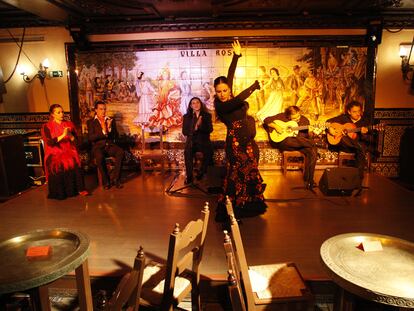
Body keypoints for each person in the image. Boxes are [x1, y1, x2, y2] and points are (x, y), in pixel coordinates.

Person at [214, 40, 267, 221]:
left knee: (250, 172)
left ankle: (250, 205)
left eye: (225, 90)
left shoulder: (229, 94)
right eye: (219, 91)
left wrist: (236, 56)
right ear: (215, 92)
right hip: (235, 145)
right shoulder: (221, 106)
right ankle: (234, 208)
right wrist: (252, 87)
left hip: (248, 143)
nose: (222, 94)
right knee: (236, 175)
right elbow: (237, 102)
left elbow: (230, 74)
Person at [263, 106, 318, 190]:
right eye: (295, 118)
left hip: (300, 143)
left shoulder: (304, 120)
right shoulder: (282, 116)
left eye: (298, 116)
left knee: (312, 150)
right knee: (290, 140)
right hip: (285, 143)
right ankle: (314, 144)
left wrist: (310, 132)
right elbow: (266, 120)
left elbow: (307, 137)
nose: (298, 119)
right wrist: (275, 126)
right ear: (288, 116)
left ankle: (309, 180)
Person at [41, 104, 88, 199]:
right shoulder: (47, 126)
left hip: (69, 150)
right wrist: (63, 135)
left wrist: (70, 135)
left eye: (62, 112)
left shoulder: (69, 124)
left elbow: (76, 141)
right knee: (57, 163)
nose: (61, 114)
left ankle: (79, 189)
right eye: (58, 112)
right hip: (54, 152)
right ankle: (60, 192)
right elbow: (50, 142)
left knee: (74, 160)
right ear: (52, 114)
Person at [326, 100, 370, 180]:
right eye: (354, 112)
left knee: (361, 150)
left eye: (359, 111)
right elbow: (328, 122)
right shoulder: (344, 118)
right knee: (343, 137)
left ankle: (358, 179)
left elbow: (367, 139)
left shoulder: (365, 121)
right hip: (346, 146)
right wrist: (330, 129)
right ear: (349, 112)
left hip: (358, 147)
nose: (357, 114)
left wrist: (364, 134)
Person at [87, 100, 124, 189]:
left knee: (120, 152)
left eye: (104, 109)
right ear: (96, 110)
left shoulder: (110, 120)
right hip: (98, 147)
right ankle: (106, 181)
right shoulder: (91, 122)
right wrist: (104, 131)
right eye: (100, 109)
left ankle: (116, 179)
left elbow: (115, 136)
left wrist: (110, 128)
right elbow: (91, 137)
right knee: (99, 157)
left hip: (109, 146)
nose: (103, 111)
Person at [182, 97, 214, 184]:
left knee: (209, 152)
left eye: (197, 102)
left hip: (203, 141)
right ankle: (189, 176)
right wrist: (195, 128)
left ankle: (201, 172)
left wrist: (200, 126)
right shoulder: (187, 117)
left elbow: (210, 129)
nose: (196, 104)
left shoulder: (207, 115)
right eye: (193, 103)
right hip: (191, 141)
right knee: (187, 152)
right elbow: (185, 131)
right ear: (191, 106)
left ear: (200, 104)